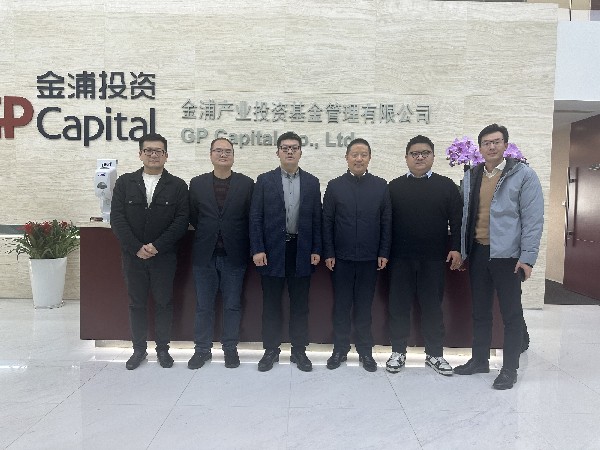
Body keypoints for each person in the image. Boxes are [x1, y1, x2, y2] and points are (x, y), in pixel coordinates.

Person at [454, 124, 543, 390]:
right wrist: (463, 250)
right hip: (479, 252)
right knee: (480, 311)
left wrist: (527, 258)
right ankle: (479, 360)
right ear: (480, 148)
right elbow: (464, 217)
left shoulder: (523, 175)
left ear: (505, 145)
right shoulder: (472, 175)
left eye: (496, 142)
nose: (491, 147)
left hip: (508, 256)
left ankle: (509, 369)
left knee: (511, 314)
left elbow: (533, 219)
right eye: (486, 143)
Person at [111, 133, 189, 370]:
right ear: (140, 154)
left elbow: (181, 221)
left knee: (164, 303)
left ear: (166, 155)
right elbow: (117, 219)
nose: (153, 155)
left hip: (163, 256)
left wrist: (157, 246)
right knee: (136, 304)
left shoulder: (177, 186)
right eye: (148, 151)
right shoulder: (125, 183)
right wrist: (136, 247)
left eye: (158, 151)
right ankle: (139, 350)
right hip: (133, 256)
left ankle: (163, 350)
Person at [386, 135, 463, 376]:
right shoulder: (393, 187)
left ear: (433, 157)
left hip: (433, 259)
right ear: (406, 157)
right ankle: (398, 352)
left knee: (432, 307)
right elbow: (385, 224)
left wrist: (456, 247)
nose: (419, 157)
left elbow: (457, 221)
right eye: (415, 153)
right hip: (400, 259)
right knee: (399, 306)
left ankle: (435, 354)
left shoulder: (447, 186)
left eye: (425, 153)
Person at [250, 131, 322, 372]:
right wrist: (258, 248)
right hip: (272, 251)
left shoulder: (312, 182)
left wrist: (316, 248)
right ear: (278, 152)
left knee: (300, 305)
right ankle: (271, 350)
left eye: (294, 148)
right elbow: (255, 217)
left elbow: (317, 218)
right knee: (271, 304)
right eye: (285, 148)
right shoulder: (264, 180)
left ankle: (299, 351)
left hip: (301, 250)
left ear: (301, 152)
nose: (290, 151)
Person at [323, 138, 392, 372]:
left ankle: (365, 352)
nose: (359, 159)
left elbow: (386, 222)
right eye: (354, 154)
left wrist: (383, 252)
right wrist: (329, 252)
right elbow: (327, 221)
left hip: (369, 259)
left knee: (364, 308)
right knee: (341, 307)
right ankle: (339, 350)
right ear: (347, 158)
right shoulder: (335, 186)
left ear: (370, 158)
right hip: (340, 259)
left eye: (363, 155)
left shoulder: (381, 186)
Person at [187, 138, 254, 370]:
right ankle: (202, 350)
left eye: (228, 151)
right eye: (218, 151)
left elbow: (250, 218)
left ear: (233, 156)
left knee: (232, 305)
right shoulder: (197, 184)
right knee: (203, 306)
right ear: (210, 155)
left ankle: (230, 349)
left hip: (234, 256)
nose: (223, 155)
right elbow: (194, 216)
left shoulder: (246, 184)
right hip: (204, 256)